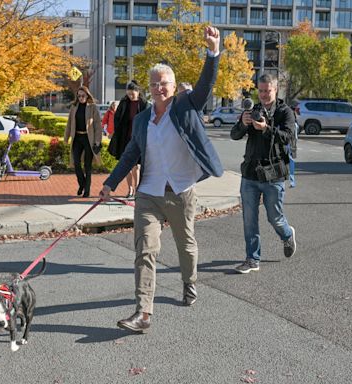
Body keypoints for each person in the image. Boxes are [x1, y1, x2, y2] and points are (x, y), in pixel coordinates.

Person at [99, 26, 223, 333]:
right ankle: (143, 312)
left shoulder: (184, 106)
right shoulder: (142, 119)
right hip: (149, 194)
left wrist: (212, 51)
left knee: (187, 246)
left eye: (164, 83)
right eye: (154, 84)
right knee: (145, 251)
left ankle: (189, 281)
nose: (159, 88)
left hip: (181, 192)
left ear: (172, 85)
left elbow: (206, 86)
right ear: (149, 88)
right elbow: (130, 154)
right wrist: (109, 183)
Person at [230, 74, 297, 274]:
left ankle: (287, 234)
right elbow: (234, 135)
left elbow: (288, 138)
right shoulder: (253, 111)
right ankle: (252, 259)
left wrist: (266, 128)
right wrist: (243, 123)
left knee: (274, 217)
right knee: (249, 220)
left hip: (273, 174)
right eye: (261, 91)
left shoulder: (285, 112)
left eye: (268, 90)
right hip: (250, 173)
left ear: (275, 90)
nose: (264, 94)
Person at [110, 80, 148, 198]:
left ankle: (137, 189)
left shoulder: (144, 104)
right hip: (125, 138)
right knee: (126, 163)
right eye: (128, 94)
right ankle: (130, 189)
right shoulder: (124, 102)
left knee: (136, 166)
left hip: (138, 138)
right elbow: (117, 118)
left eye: (132, 94)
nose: (130, 96)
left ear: (138, 92)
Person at [64, 86, 102, 198]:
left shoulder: (92, 107)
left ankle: (87, 190)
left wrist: (97, 141)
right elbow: (69, 123)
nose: (81, 98)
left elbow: (98, 126)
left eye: (83, 96)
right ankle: (82, 184)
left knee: (87, 166)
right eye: (79, 96)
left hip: (88, 139)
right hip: (77, 138)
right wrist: (66, 138)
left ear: (87, 95)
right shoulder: (74, 107)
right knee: (76, 163)